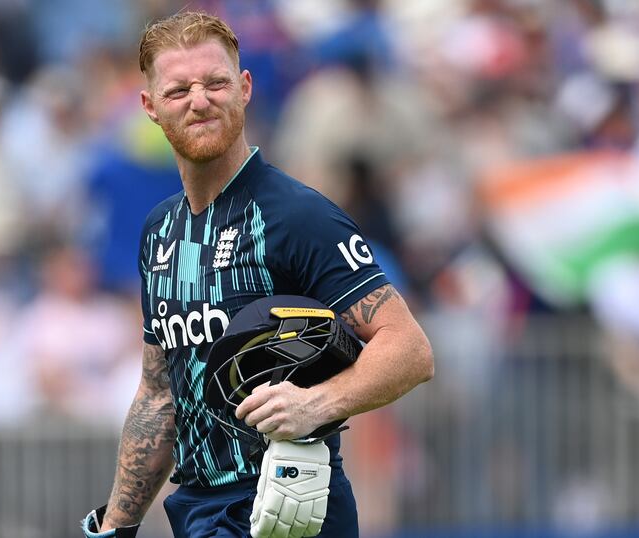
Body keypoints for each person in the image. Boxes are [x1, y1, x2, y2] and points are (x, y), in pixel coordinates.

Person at [84, 11, 434, 538]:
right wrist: (116, 525)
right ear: (150, 107)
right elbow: (159, 396)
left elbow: (410, 349)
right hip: (199, 512)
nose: (199, 100)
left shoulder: (297, 216)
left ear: (245, 88)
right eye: (178, 90)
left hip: (292, 511)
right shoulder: (159, 232)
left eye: (216, 82)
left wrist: (317, 402)